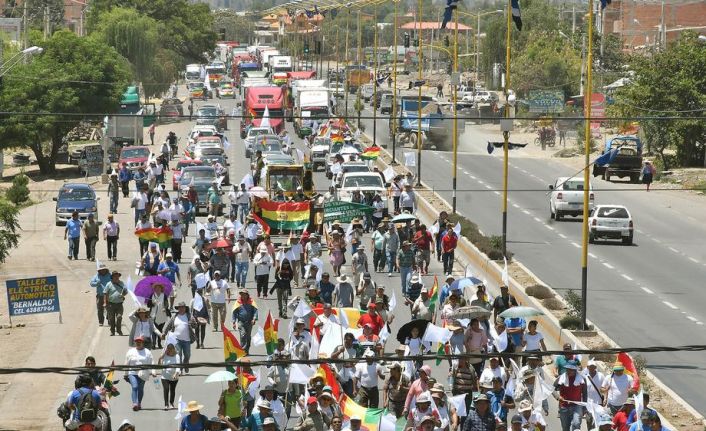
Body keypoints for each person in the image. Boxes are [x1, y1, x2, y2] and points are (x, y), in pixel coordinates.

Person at [163, 302, 195, 374]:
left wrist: (193, 323)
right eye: (180, 307)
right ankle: (180, 370)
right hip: (177, 339)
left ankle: (186, 364)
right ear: (178, 308)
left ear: (185, 308)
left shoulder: (189, 316)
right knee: (178, 355)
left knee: (187, 355)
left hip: (187, 340)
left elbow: (195, 326)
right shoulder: (175, 316)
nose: (181, 309)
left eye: (183, 307)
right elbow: (168, 325)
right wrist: (164, 333)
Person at [124, 335, 155, 411]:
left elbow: (152, 362)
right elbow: (126, 363)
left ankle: (139, 403)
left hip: (143, 373)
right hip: (132, 373)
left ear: (143, 343)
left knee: (140, 389)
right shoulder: (130, 352)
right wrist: (125, 374)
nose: (138, 343)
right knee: (135, 386)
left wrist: (153, 371)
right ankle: (135, 403)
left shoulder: (147, 352)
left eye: (140, 342)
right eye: (137, 342)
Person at [553, 363, 586, 431]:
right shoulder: (561, 378)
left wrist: (584, 408)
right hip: (564, 406)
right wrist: (558, 397)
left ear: (575, 370)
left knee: (576, 423)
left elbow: (585, 394)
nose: (568, 371)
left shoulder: (582, 379)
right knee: (565, 427)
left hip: (577, 406)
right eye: (567, 369)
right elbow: (552, 389)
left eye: (571, 370)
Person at [158, 342, 181, 410]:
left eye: (171, 349)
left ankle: (171, 403)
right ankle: (166, 404)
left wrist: (176, 374)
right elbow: (159, 365)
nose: (170, 351)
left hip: (174, 376)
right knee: (166, 389)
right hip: (165, 376)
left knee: (172, 390)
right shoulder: (165, 355)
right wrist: (160, 358)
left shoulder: (177, 356)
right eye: (168, 350)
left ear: (174, 349)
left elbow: (178, 366)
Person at [104, 271, 127, 336]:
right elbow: (105, 293)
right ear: (112, 277)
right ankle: (112, 331)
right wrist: (105, 303)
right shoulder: (109, 284)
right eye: (115, 276)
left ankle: (119, 330)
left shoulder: (122, 283)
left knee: (119, 317)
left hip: (119, 304)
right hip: (110, 304)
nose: (117, 277)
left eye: (117, 276)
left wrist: (123, 295)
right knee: (111, 318)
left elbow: (125, 291)